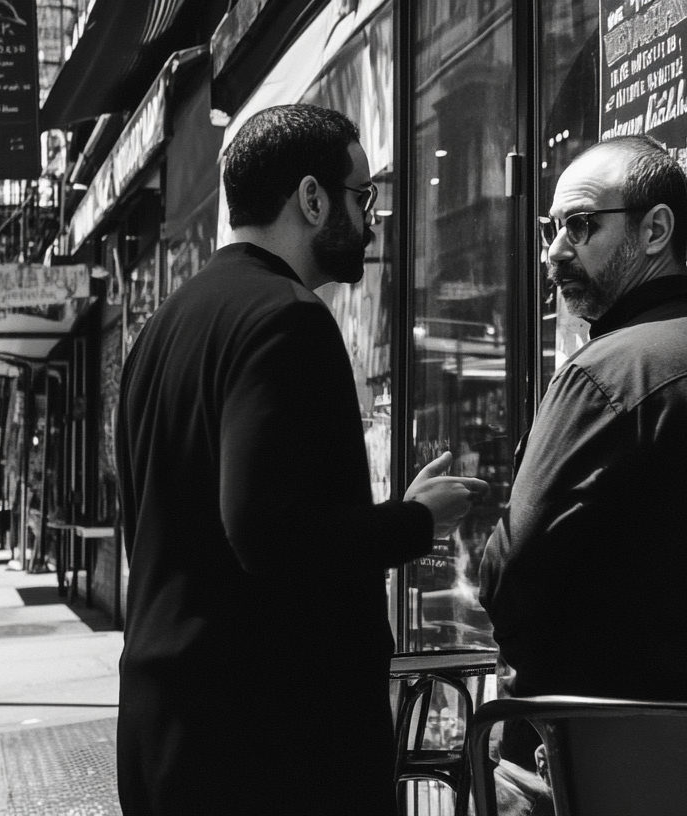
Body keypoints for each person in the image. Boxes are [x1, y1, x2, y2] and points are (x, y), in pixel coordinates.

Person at [115, 104, 488, 815]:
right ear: (312, 199)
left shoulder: (164, 328)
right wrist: (415, 522)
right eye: (362, 195)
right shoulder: (286, 317)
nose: (372, 219)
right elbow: (266, 531)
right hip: (267, 747)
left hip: (168, 731)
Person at [478, 136, 687, 775]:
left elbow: (510, 578)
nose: (556, 251)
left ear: (655, 229)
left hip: (607, 771)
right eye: (551, 229)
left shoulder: (603, 374)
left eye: (580, 226)